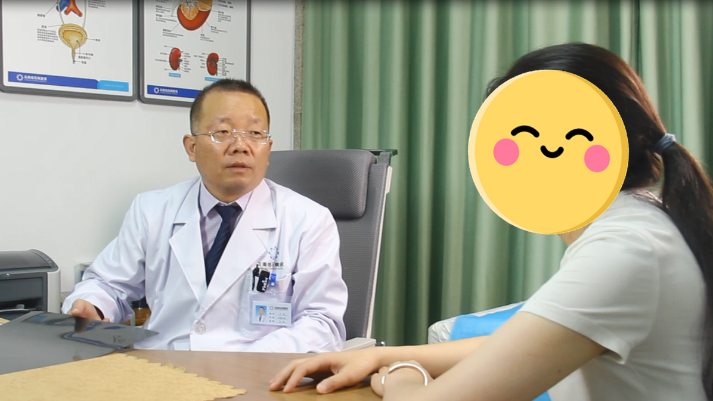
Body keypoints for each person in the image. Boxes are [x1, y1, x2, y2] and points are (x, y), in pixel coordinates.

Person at [269, 43, 713, 400]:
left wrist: (401, 372)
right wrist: (383, 355)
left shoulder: (624, 250)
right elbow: (532, 341)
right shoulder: (644, 222)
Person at [62, 79, 348, 353]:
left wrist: (249, 360)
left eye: (255, 133)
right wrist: (92, 306)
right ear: (192, 147)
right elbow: (108, 284)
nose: (241, 145)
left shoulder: (308, 219)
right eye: (222, 132)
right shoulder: (152, 210)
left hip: (259, 371)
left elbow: (322, 323)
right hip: (162, 366)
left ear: (268, 149)